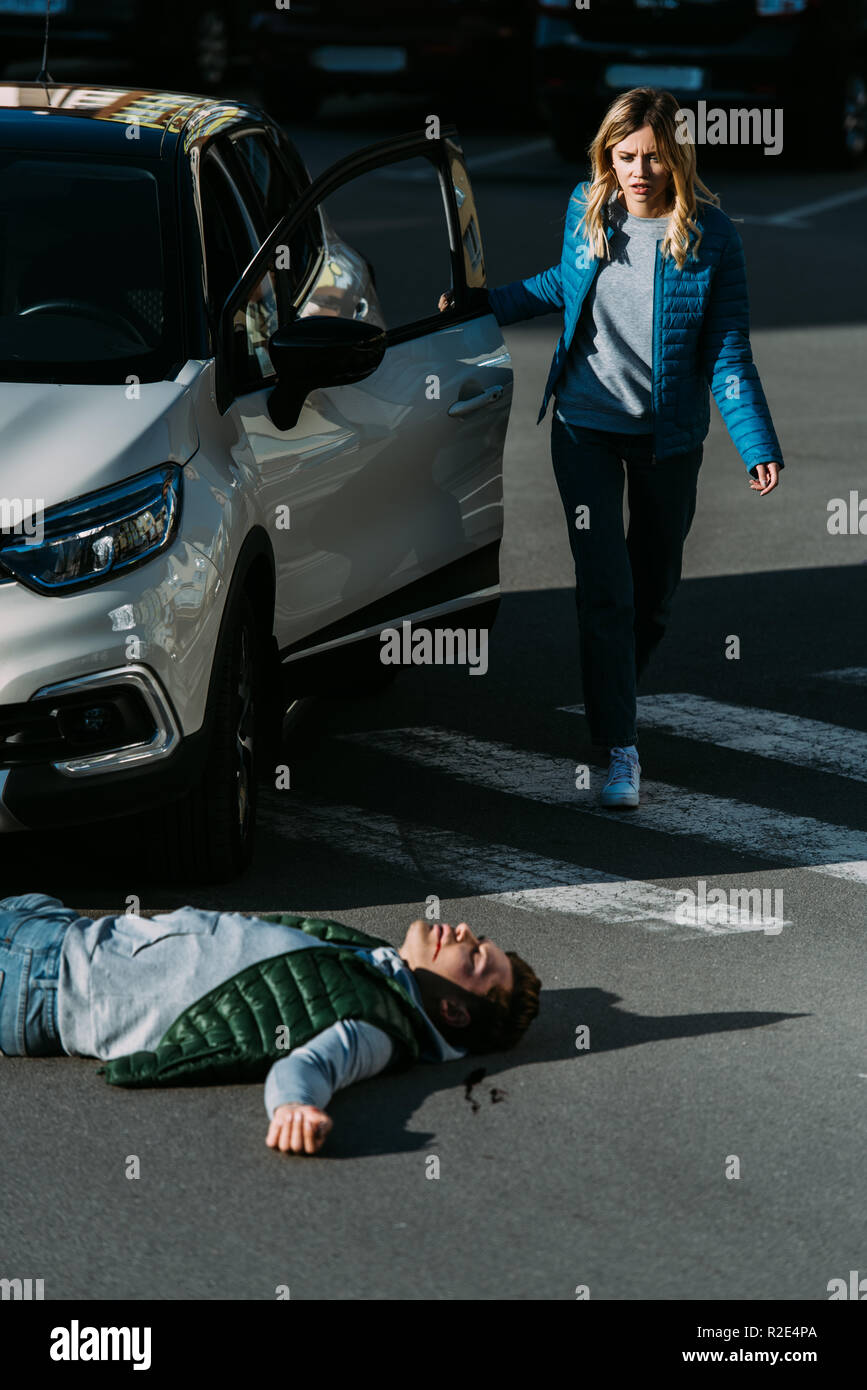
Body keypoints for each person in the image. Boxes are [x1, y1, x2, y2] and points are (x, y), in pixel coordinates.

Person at [439, 86, 784, 809]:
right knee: (606, 591)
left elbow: (727, 352)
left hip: (668, 440)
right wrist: (483, 305)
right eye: (623, 157)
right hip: (584, 430)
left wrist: (754, 439)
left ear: (677, 160)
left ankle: (612, 688)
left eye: (652, 159)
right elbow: (560, 286)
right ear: (606, 155)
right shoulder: (586, 207)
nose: (636, 172)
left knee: (651, 595)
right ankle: (619, 747)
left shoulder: (711, 236)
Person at [0, 893, 540, 1156]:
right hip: (58, 926)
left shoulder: (378, 1027)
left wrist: (295, 1107)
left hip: (43, 981)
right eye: (478, 937)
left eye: (474, 959)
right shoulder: (379, 970)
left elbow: (312, 1063)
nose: (466, 931)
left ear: (452, 1012)